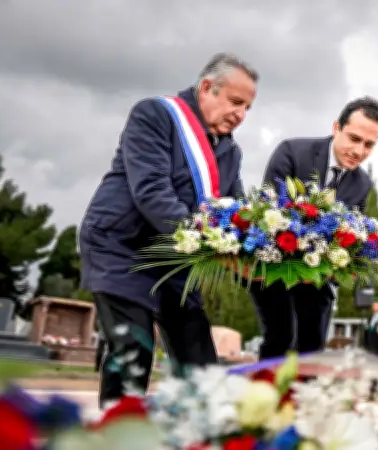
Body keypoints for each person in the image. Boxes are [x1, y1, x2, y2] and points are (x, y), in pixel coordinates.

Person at [78, 52, 258, 407]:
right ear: (206, 88)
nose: (240, 114)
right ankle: (118, 430)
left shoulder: (230, 152)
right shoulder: (155, 114)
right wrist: (208, 244)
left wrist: (258, 254)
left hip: (176, 259)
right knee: (133, 349)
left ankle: (200, 431)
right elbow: (152, 191)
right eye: (235, 102)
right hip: (122, 249)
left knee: (199, 364)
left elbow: (234, 212)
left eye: (247, 108)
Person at [250, 97, 378, 358]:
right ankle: (268, 383)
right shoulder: (292, 152)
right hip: (274, 266)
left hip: (317, 278)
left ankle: (306, 385)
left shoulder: (362, 184)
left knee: (313, 347)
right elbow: (268, 213)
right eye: (354, 139)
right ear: (337, 128)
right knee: (282, 337)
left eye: (369, 144)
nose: (359, 151)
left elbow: (349, 235)